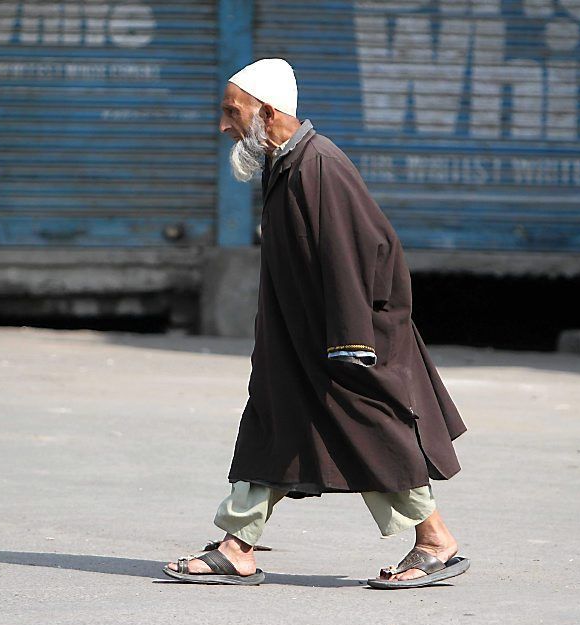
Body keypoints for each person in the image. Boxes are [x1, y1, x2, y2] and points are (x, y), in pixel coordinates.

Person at [164, 58, 468, 589]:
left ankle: (436, 540)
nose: (223, 125)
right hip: (298, 339)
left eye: (231, 110)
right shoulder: (284, 163)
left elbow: (361, 253)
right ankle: (237, 547)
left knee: (368, 435)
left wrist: (350, 342)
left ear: (267, 110)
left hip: (340, 342)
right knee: (274, 428)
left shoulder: (318, 166)